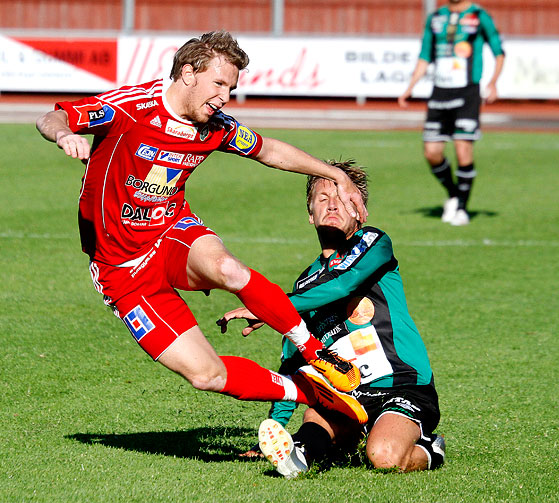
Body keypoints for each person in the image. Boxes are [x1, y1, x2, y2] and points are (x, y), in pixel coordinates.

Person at [35, 31, 369, 425]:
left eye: (231, 88)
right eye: (220, 84)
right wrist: (64, 135)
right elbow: (52, 116)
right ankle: (310, 391)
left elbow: (268, 150)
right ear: (189, 73)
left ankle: (315, 352)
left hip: (170, 233)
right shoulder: (132, 108)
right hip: (120, 271)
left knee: (228, 268)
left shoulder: (216, 125)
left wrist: (333, 173)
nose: (225, 97)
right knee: (206, 375)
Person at [219, 160, 444, 477]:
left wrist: (273, 307)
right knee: (316, 422)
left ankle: (430, 448)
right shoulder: (303, 287)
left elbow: (343, 282)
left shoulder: (373, 243)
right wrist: (276, 425)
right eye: (322, 198)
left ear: (359, 210)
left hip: (403, 386)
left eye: (342, 198)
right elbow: (292, 360)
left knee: (384, 456)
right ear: (310, 214)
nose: (333, 204)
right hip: (346, 396)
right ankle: (299, 451)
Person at [398, 0, 505, 226]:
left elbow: (498, 50)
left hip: (467, 92)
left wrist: (493, 81)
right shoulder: (436, 18)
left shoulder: (478, 15)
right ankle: (454, 194)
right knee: (432, 152)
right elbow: (425, 55)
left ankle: (462, 209)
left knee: (462, 149)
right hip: (439, 94)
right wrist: (410, 87)